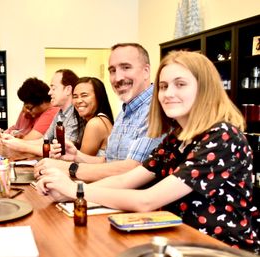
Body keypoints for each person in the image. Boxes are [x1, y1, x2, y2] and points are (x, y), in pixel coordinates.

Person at [36, 50, 260, 253]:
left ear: (205, 88)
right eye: (163, 86)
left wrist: (74, 190)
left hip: (219, 249)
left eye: (180, 84)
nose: (168, 93)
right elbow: (126, 180)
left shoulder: (222, 136)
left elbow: (147, 200)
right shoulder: (177, 138)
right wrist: (73, 192)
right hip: (178, 241)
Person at [34, 43, 162, 182]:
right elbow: (109, 161)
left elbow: (133, 169)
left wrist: (70, 168)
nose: (117, 77)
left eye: (126, 67)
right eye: (112, 70)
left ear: (146, 71)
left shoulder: (155, 109)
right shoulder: (125, 111)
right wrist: (76, 156)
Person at [1, 69, 84, 156]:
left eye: (53, 88)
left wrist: (21, 145)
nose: (49, 92)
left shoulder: (75, 116)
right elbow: (44, 140)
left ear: (68, 90)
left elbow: (63, 152)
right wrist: (15, 141)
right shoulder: (59, 113)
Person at [72, 77, 113, 156]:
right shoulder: (102, 119)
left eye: (84, 95)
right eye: (75, 96)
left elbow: (79, 164)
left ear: (99, 96)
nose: (78, 101)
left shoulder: (95, 124)